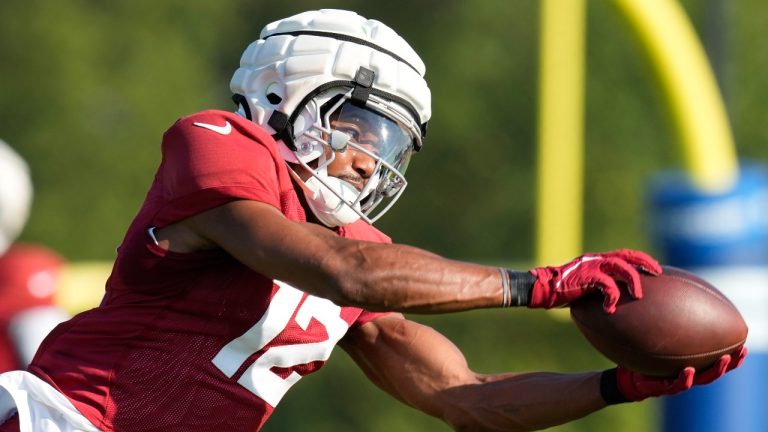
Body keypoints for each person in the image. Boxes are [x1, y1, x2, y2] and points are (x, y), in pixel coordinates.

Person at [0, 9, 745, 432]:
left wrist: (617, 385)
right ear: (284, 94)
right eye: (357, 125)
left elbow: (471, 398)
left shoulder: (360, 252)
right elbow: (343, 272)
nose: (367, 160)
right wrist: (544, 284)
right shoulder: (219, 145)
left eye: (386, 143)